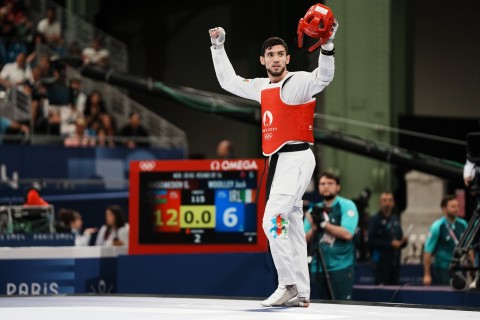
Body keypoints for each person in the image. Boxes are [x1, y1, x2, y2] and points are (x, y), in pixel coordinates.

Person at [209, 8, 337, 307]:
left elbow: (325, 76)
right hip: (278, 164)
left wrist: (328, 44)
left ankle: (287, 284)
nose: (276, 58)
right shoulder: (261, 87)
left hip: (297, 159)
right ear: (263, 60)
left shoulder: (300, 82)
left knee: (272, 219)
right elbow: (228, 81)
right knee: (290, 225)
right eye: (271, 54)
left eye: (281, 53)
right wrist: (218, 47)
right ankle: (302, 293)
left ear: (288, 58)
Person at [304, 172, 359, 300]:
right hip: (317, 267)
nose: (326, 187)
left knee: (342, 307)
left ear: (338, 187)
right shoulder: (314, 210)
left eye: (330, 183)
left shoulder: (347, 205)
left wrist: (323, 224)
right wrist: (313, 228)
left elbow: (348, 233)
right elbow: (302, 239)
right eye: (322, 184)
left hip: (342, 266)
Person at [423, 195, 470, 285]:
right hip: (443, 268)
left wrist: (471, 265)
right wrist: (427, 275)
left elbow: (468, 247)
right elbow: (428, 252)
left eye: (457, 206)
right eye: (452, 206)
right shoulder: (437, 226)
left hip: (460, 267)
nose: (456, 209)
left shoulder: (463, 224)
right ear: (444, 208)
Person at [368, 192, 408, 285]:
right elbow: (371, 242)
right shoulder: (374, 219)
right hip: (380, 263)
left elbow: (399, 238)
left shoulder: (395, 219)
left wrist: (403, 242)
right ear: (380, 203)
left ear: (393, 203)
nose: (387, 203)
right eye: (384, 200)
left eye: (390, 200)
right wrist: (390, 244)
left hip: (395, 262)